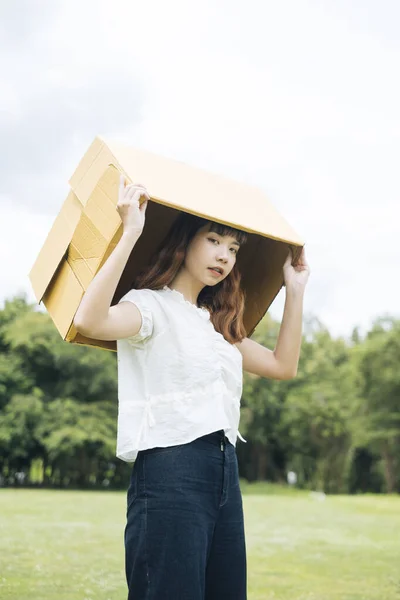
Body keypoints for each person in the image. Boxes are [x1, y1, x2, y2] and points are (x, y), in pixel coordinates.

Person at [74, 176, 310, 600]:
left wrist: (295, 290)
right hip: (170, 469)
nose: (225, 255)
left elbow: (283, 365)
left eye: (234, 248)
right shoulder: (149, 305)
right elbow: (90, 322)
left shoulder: (218, 327)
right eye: (215, 240)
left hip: (224, 471)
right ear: (186, 242)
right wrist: (130, 232)